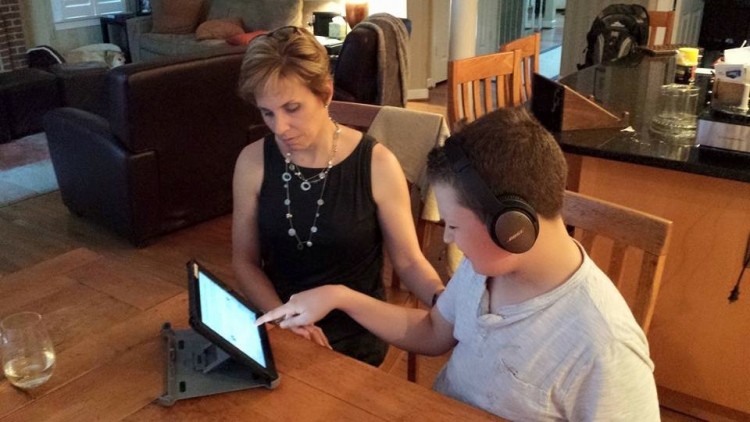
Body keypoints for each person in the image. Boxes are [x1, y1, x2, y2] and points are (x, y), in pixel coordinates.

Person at [257, 107, 661, 420]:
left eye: (452, 225)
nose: (447, 239)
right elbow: (434, 331)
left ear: (512, 227)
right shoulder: (489, 265)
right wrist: (340, 296)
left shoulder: (604, 348)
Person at [232, 26, 444, 367]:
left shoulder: (377, 164)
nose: (279, 128)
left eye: (292, 108)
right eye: (267, 113)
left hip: (357, 331)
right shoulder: (252, 162)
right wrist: (283, 320)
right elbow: (244, 261)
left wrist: (443, 299)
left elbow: (408, 262)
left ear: (326, 94)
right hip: (280, 323)